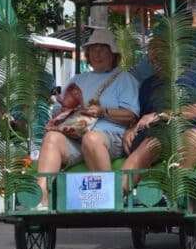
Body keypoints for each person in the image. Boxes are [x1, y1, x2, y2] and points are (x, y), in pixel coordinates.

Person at [34, 29, 140, 209]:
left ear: (113, 54)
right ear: (88, 54)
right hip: (76, 135)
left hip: (110, 137)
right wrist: (59, 117)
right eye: (93, 49)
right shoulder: (78, 79)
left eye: (102, 49)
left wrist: (103, 112)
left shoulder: (124, 78)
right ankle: (40, 198)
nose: (97, 54)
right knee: (51, 138)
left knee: (92, 138)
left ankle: (108, 197)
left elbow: (131, 115)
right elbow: (62, 108)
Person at [120, 45, 196, 190]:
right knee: (147, 146)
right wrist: (131, 128)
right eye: (153, 59)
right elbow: (139, 116)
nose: (156, 62)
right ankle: (117, 198)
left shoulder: (195, 77)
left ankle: (179, 195)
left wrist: (160, 115)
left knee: (192, 136)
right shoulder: (147, 85)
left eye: (160, 57)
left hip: (187, 128)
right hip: (156, 133)